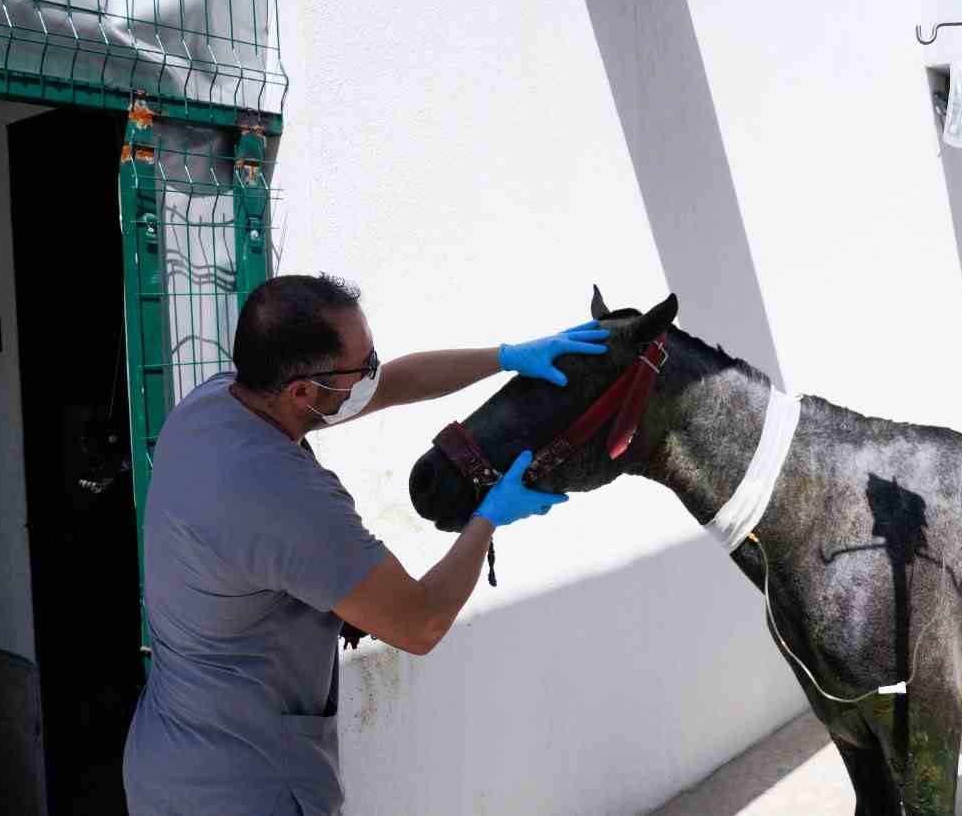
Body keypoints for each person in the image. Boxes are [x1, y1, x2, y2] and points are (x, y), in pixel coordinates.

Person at [122, 273, 608, 815]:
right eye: (363, 366)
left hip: (167, 757)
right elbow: (419, 623)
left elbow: (390, 387)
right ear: (303, 391)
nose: (374, 373)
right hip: (246, 785)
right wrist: (489, 515)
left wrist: (506, 357)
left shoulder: (215, 403)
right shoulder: (283, 495)